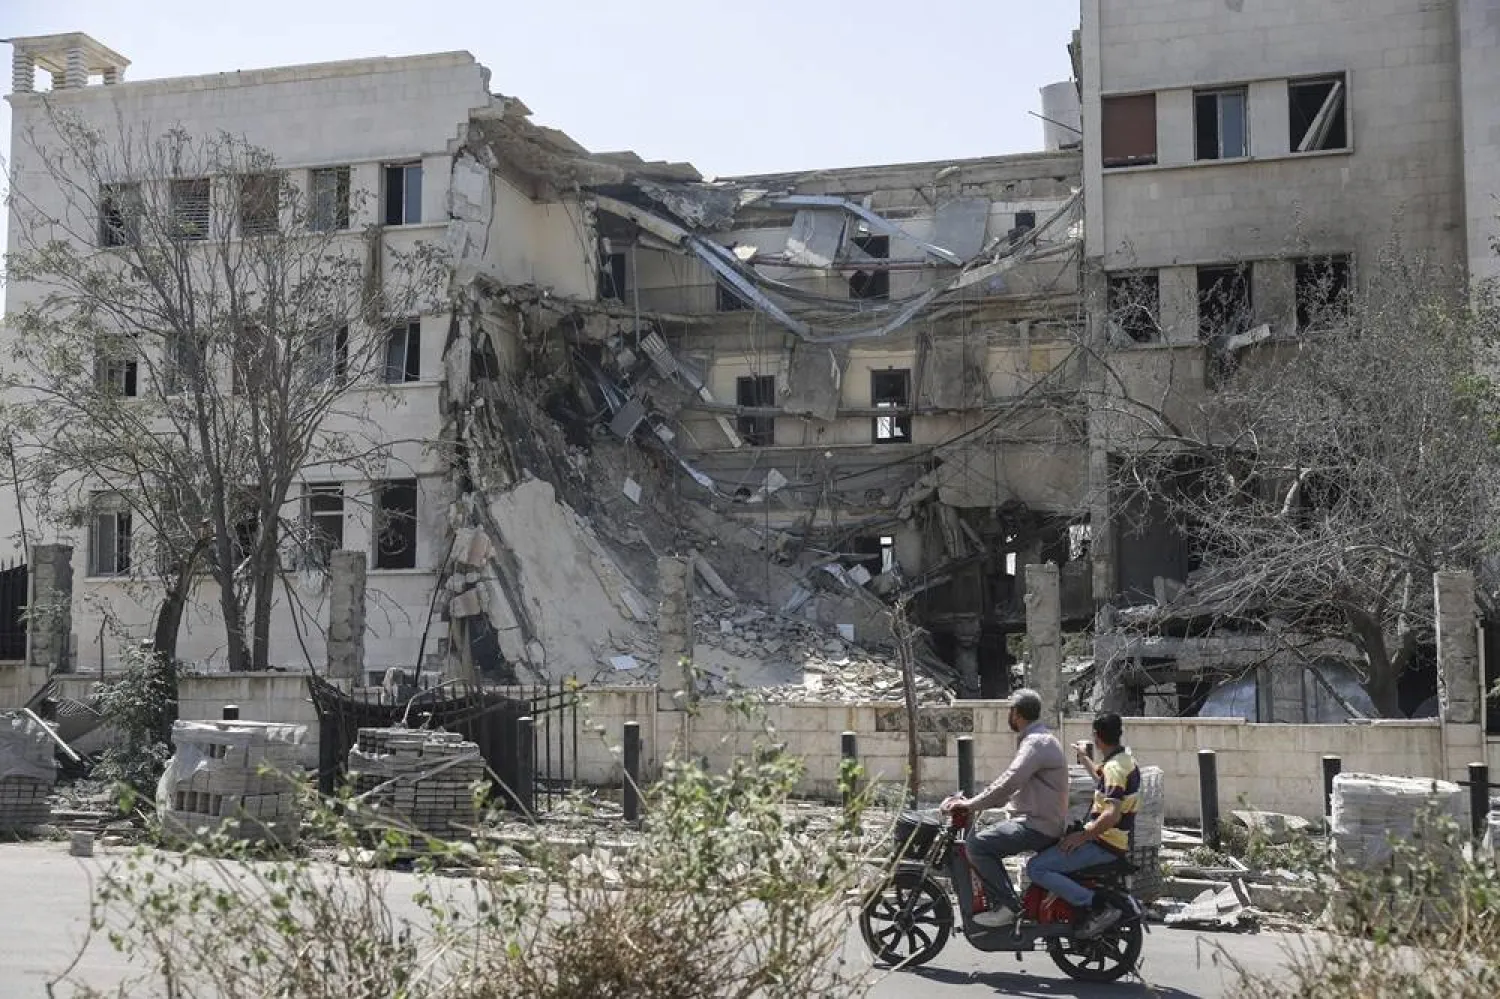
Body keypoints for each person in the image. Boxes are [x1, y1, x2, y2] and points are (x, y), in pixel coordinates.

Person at [940, 688, 1068, 928]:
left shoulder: (1035, 743)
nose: (1009, 715)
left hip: (1038, 826)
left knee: (977, 846)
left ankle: (1008, 907)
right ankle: (1003, 902)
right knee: (986, 834)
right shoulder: (1038, 739)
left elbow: (1011, 780)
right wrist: (983, 801)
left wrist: (971, 804)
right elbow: (1009, 786)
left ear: (1017, 713)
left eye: (1010, 711)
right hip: (1038, 820)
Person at [1025, 712, 1140, 939]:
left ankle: (1095, 904)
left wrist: (1082, 836)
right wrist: (1083, 758)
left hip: (1103, 845)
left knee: (1036, 867)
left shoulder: (1114, 769)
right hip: (1111, 842)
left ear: (1097, 737)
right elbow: (1103, 779)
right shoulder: (1126, 762)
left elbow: (1112, 814)